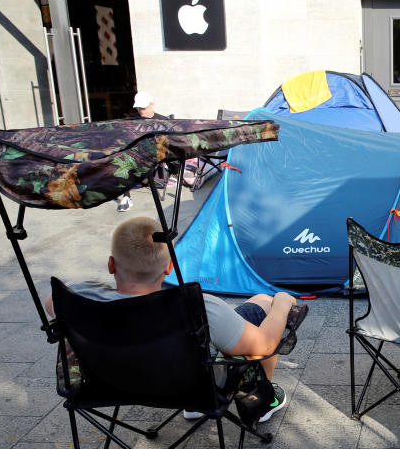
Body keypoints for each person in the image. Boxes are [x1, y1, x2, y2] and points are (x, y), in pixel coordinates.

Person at [44, 217, 295, 423]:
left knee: (228, 322)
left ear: (111, 264)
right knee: (263, 303)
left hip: (111, 383)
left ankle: (194, 407)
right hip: (198, 385)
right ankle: (263, 401)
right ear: (168, 269)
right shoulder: (198, 307)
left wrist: (87, 288)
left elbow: (49, 301)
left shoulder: (79, 298)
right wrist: (282, 302)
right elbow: (264, 345)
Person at [115, 91, 169, 212]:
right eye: (139, 108)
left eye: (143, 108)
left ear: (152, 104)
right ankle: (127, 197)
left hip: (154, 155)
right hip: (135, 154)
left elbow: (165, 146)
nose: (141, 111)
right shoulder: (131, 120)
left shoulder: (162, 121)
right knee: (121, 158)